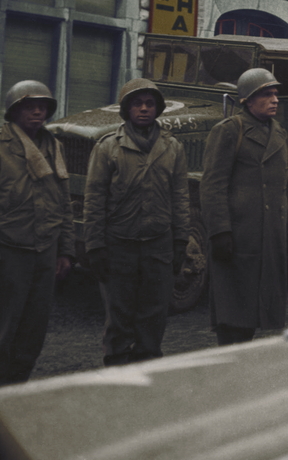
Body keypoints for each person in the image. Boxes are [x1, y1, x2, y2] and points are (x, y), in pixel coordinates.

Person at [84, 78, 189, 365]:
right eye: (137, 104)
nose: (143, 109)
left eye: (149, 104)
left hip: (159, 244)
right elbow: (94, 199)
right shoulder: (108, 148)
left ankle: (148, 364)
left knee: (154, 313)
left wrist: (181, 240)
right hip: (120, 244)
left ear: (157, 109)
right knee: (119, 313)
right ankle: (116, 366)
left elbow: (180, 196)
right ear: (127, 109)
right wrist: (95, 246)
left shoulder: (173, 148)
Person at [201, 68, 288, 345]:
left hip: (269, 236)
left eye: (276, 94)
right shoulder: (229, 131)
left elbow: (285, 186)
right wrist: (219, 231)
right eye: (266, 94)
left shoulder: (279, 133)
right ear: (248, 100)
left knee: (258, 308)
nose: (275, 99)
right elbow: (212, 185)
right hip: (238, 237)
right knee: (233, 313)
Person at [0, 81, 74, 384]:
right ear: (15, 110)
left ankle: (16, 392)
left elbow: (64, 203)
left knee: (34, 330)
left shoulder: (54, 146)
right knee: (5, 326)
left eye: (43, 106)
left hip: (45, 250)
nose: (37, 111)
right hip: (9, 249)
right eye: (30, 105)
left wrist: (66, 250)